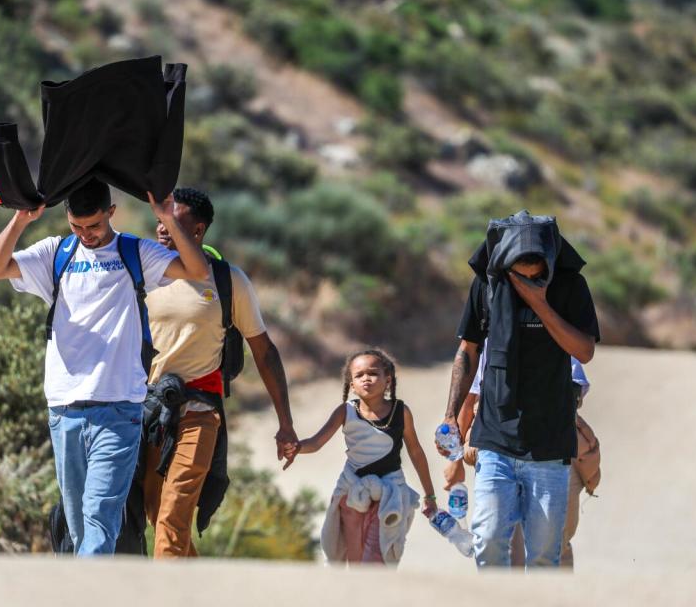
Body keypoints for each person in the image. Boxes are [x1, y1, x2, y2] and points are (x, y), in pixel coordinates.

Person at [0, 180, 208, 555]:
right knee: (79, 526)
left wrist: (167, 217)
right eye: (77, 226)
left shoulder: (136, 252)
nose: (86, 235)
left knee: (100, 515)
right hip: (64, 409)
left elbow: (197, 270)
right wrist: (21, 220)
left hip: (119, 409)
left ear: (111, 213)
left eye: (94, 226)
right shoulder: (57, 253)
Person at [142, 187, 298, 558]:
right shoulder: (143, 271)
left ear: (197, 230)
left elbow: (265, 352)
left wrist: (286, 423)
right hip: (148, 412)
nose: (162, 228)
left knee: (172, 518)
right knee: (156, 514)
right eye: (159, 220)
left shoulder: (228, 281)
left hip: (199, 410)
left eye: (172, 221)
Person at [439, 210, 600, 569]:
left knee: (544, 554)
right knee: (489, 538)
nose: (528, 283)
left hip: (549, 443)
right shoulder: (487, 285)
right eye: (520, 277)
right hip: (495, 438)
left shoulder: (570, 287)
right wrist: (451, 416)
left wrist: (541, 303)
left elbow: (584, 351)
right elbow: (468, 351)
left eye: (537, 275)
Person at [443, 347, 599, 568]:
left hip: (551, 449)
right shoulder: (491, 336)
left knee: (555, 542)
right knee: (503, 543)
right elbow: (470, 399)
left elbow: (574, 391)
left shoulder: (556, 333)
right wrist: (455, 459)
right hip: (499, 449)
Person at [284, 349, 436, 566]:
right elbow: (316, 442)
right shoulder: (345, 412)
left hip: (389, 491)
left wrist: (430, 495)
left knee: (378, 557)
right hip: (353, 489)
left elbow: (416, 451)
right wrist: (296, 448)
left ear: (387, 380)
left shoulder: (401, 411)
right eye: (359, 375)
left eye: (373, 373)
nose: (366, 379)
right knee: (356, 559)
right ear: (351, 384)